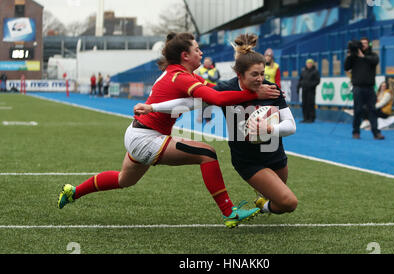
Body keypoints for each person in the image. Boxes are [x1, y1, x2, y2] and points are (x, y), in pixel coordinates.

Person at [58, 32, 280, 228]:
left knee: (124, 180)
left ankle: (73, 192)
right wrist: (254, 95)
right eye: (197, 49)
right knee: (207, 153)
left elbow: (218, 91)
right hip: (147, 137)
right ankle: (229, 212)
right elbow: (216, 98)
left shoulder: (184, 74)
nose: (201, 53)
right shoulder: (180, 76)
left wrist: (246, 78)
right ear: (185, 55)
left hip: (139, 133)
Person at [147, 34, 298, 215]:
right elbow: (188, 103)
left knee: (278, 203)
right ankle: (263, 207)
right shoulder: (225, 88)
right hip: (249, 161)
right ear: (239, 74)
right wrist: (152, 107)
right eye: (254, 74)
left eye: (262, 73)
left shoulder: (271, 90)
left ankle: (263, 200)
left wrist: (269, 129)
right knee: (289, 203)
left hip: (275, 156)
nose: (260, 79)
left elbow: (290, 125)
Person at [344, 37, 385, 140]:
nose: (363, 45)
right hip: (358, 87)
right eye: (361, 44)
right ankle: (356, 132)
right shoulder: (353, 57)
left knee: (372, 110)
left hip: (370, 87)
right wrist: (349, 55)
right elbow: (346, 67)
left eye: (365, 43)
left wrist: (363, 56)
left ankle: (376, 132)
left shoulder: (372, 55)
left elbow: (375, 61)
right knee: (357, 110)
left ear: (369, 44)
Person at [297, 59, 320, 123]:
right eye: (308, 63)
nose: (309, 64)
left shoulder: (315, 71)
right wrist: (298, 87)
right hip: (304, 90)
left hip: (311, 90)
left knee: (311, 104)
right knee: (304, 104)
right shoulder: (303, 71)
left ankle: (311, 118)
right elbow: (300, 80)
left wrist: (311, 85)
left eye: (310, 63)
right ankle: (305, 118)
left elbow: (317, 81)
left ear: (312, 64)